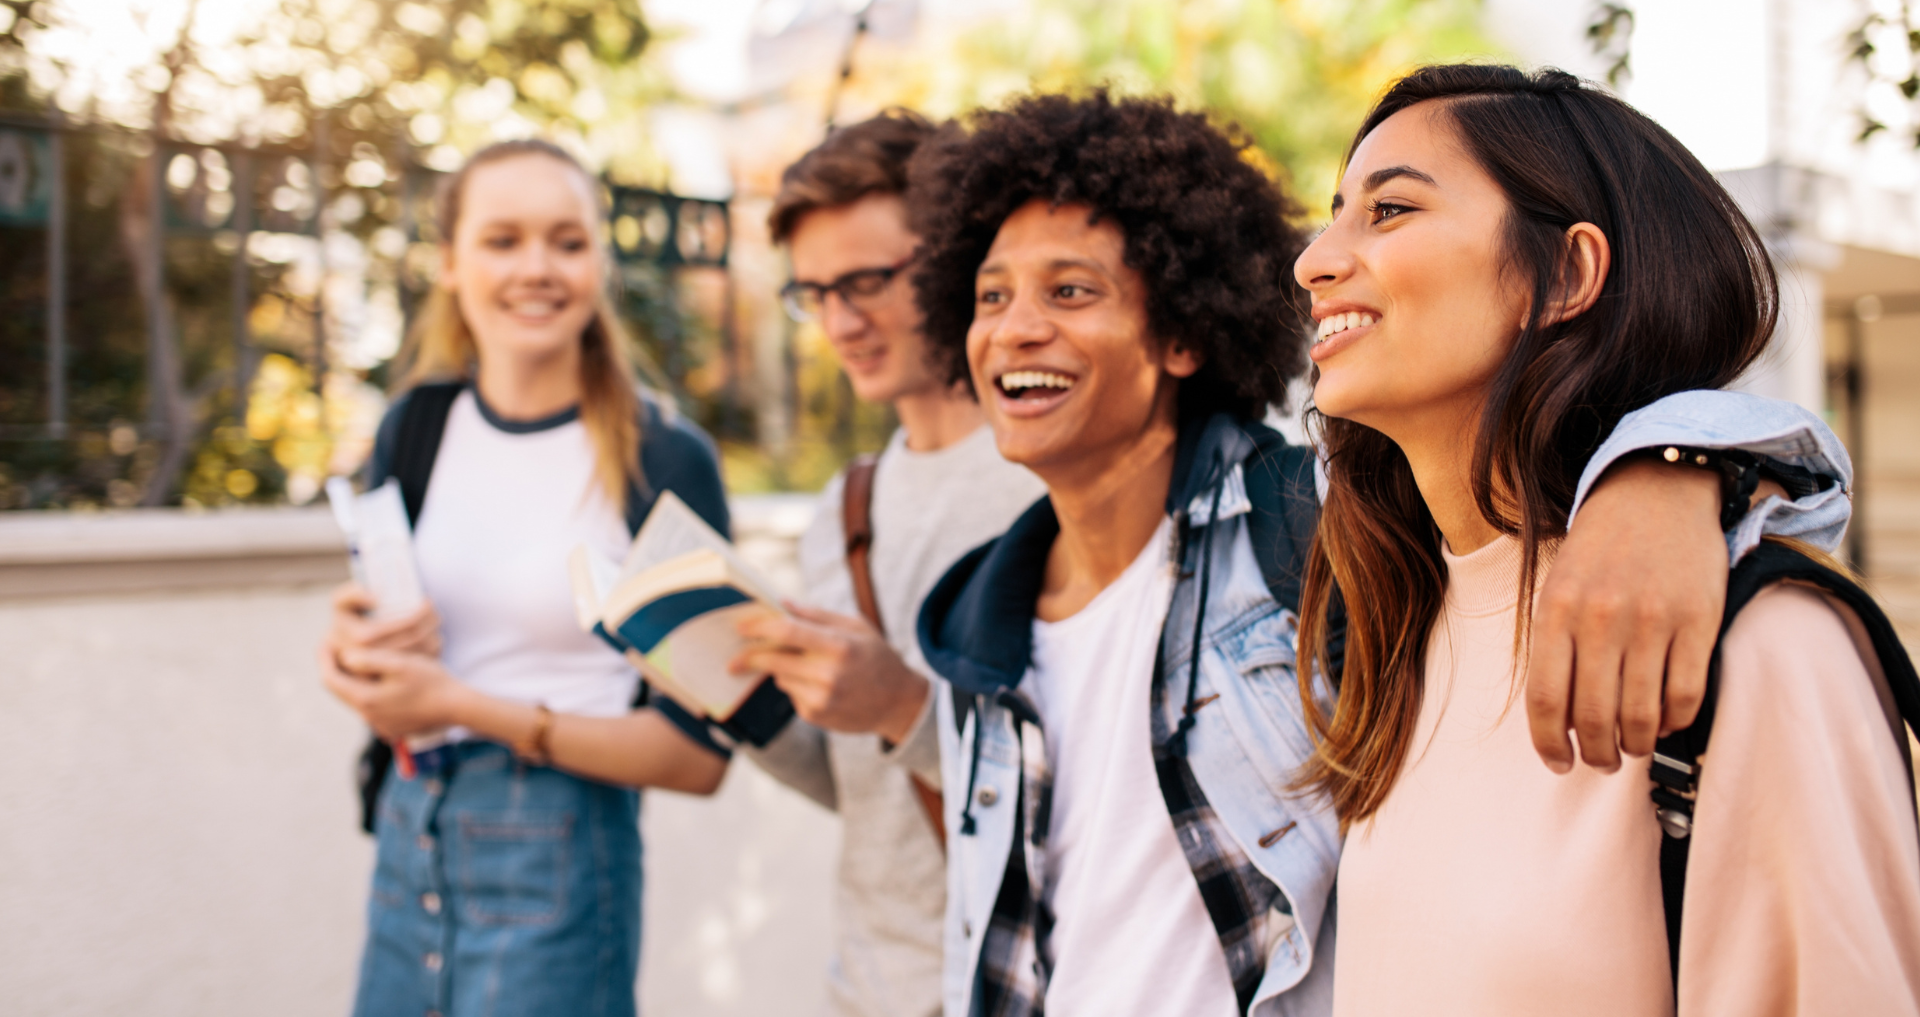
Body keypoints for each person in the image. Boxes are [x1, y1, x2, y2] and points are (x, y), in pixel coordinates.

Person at [905, 91, 1856, 1016]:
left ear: (1186, 333)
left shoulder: (1308, 538)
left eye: (1071, 290)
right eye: (990, 296)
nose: (1315, 263)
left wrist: (1675, 467)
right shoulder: (970, 626)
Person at [1293, 65, 1919, 1015]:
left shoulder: (1755, 642)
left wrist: (1681, 463)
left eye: (1389, 211)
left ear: (1569, 274)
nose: (1312, 260)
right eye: (1333, 212)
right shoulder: (1392, 629)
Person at [315, 140, 732, 1017]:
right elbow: (384, 652)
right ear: (450, 263)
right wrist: (352, 661)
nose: (536, 269)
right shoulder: (415, 429)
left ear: (599, 262)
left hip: (563, 852)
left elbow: (697, 757)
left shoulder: (662, 459)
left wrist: (460, 706)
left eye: (567, 241)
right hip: (408, 834)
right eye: (503, 240)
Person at [725, 110, 1046, 1017]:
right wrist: (729, 695)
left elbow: (1104, 780)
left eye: (867, 280)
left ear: (952, 258)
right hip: (868, 986)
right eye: (815, 292)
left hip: (1017, 983)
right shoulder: (845, 507)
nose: (841, 320)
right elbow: (860, 793)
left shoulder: (1053, 480)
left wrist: (903, 704)